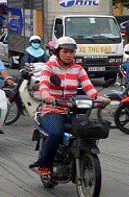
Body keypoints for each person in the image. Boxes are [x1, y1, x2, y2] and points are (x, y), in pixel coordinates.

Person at [31, 37, 108, 182]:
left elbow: (88, 87)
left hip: (73, 109)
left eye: (71, 52)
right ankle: (45, 166)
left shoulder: (78, 69)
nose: (68, 55)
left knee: (86, 131)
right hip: (53, 110)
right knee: (56, 133)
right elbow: (43, 86)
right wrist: (49, 98)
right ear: (58, 52)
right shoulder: (49, 67)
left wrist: (100, 99)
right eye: (65, 51)